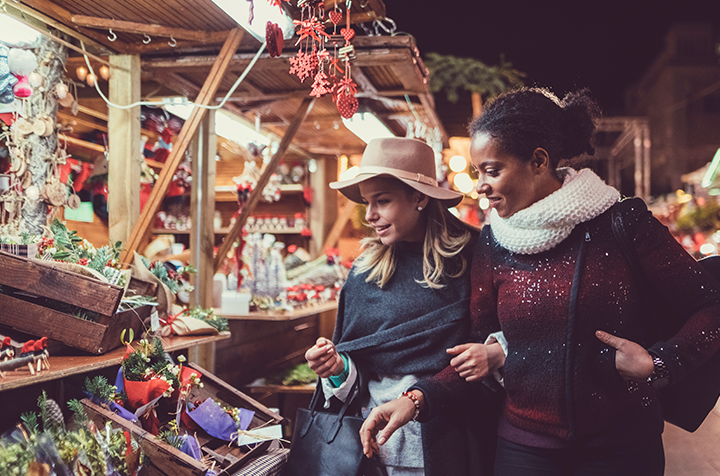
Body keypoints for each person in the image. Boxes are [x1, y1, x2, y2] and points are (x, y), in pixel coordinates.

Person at [360, 88, 720, 476]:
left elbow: (709, 307)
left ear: (538, 161)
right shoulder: (492, 242)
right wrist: (415, 400)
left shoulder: (623, 223)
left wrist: (658, 363)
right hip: (523, 451)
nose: (480, 185)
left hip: (623, 447)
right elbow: (478, 353)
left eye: (492, 170)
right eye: (478, 172)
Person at [304, 137, 501, 476]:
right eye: (367, 203)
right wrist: (336, 368)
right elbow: (358, 371)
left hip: (449, 445)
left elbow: (485, 363)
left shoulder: (474, 257)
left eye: (382, 201)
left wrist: (419, 398)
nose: (370, 215)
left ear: (419, 197)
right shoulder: (365, 270)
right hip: (370, 449)